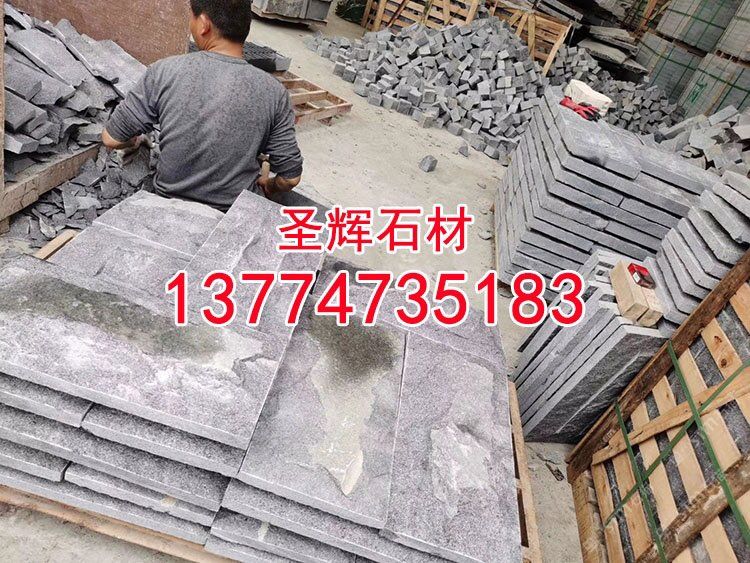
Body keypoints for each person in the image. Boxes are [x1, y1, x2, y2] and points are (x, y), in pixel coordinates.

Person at [102, 0, 303, 211]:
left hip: (167, 208)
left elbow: (111, 138)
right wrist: (269, 185)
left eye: (192, 17)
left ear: (204, 24)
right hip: (233, 214)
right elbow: (290, 178)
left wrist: (135, 141)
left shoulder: (164, 72)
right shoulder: (274, 92)